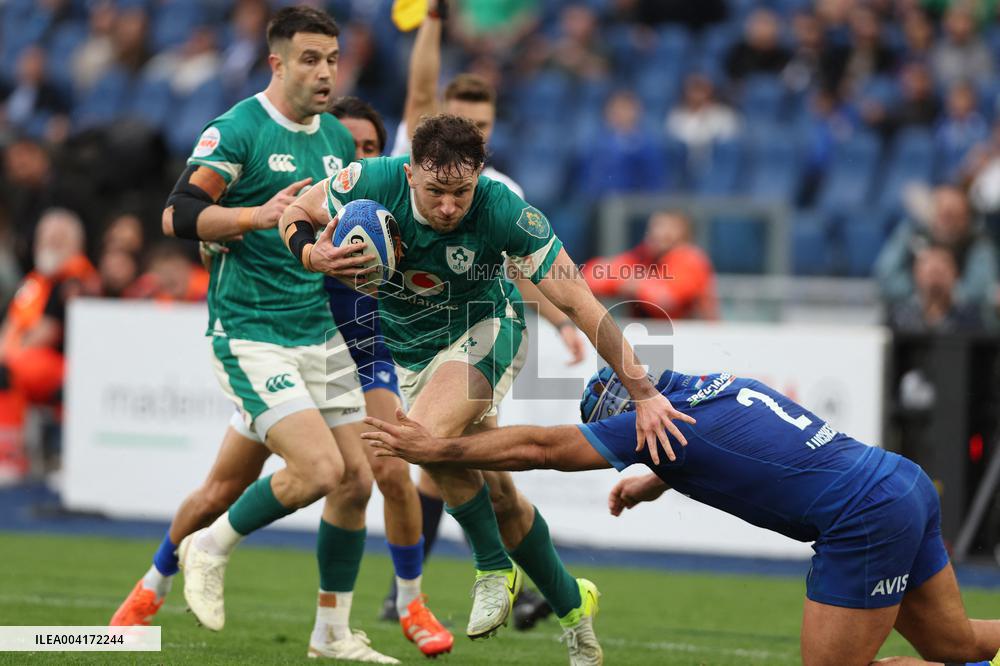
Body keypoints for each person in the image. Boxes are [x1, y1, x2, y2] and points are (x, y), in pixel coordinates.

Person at [280, 113, 694, 664]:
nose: (449, 206)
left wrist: (642, 391)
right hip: (413, 351)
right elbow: (296, 211)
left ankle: (493, 568)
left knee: (423, 437)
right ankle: (574, 607)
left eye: (462, 192)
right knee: (498, 496)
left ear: (479, 175)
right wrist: (312, 253)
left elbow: (580, 301)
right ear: (409, 173)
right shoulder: (371, 180)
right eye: (435, 192)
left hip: (488, 327)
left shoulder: (504, 210)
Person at [111, 7, 441, 662]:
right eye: (310, 60)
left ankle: (330, 635)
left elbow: (318, 229)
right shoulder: (239, 129)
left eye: (333, 60)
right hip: (251, 332)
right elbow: (177, 214)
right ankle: (207, 549)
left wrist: (337, 255)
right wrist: (250, 217)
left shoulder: (338, 142)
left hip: (318, 332)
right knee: (318, 470)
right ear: (277, 63)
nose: (324, 73)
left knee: (355, 481)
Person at [363, 367, 1000, 666]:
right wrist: (654, 481)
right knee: (956, 645)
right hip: (901, 481)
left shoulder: (653, 425)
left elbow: (543, 448)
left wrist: (438, 449)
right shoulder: (709, 386)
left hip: (864, 517)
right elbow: (738, 443)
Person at [386, 0, 587, 627]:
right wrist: (433, 20)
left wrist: (560, 321)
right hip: (410, 336)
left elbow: (528, 273)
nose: (476, 131)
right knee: (485, 478)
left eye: (485, 124)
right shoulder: (408, 168)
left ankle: (427, 586)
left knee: (435, 449)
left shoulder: (499, 197)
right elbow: (418, 89)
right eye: (466, 119)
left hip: (474, 335)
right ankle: (562, 598)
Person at [0, 209, 99, 478]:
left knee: (8, 370)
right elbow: (12, 323)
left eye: (58, 239)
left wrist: (9, 353)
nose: (49, 244)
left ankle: (10, 454)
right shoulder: (35, 281)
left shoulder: (74, 278)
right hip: (30, 357)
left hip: (65, 362)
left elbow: (49, 331)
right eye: (45, 238)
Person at [584, 210, 718, 320]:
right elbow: (591, 278)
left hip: (693, 337)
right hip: (648, 335)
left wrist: (637, 284)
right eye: (655, 227)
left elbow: (667, 302)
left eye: (666, 229)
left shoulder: (691, 260)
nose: (657, 233)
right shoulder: (643, 256)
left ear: (683, 235)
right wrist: (626, 281)